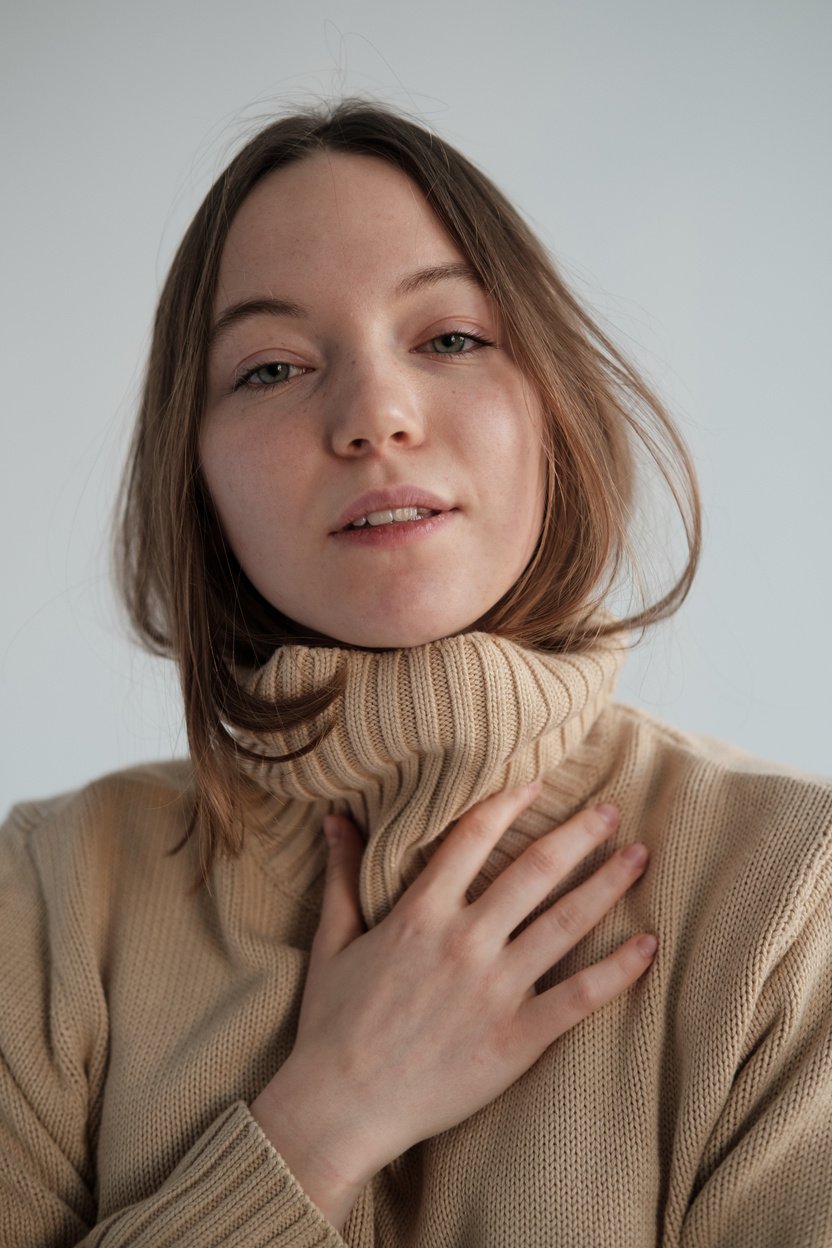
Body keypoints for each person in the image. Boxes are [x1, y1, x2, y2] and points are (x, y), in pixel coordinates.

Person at [1, 99, 830, 1248]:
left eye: (448, 339)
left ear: (553, 401)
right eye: (273, 367)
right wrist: (322, 1124)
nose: (374, 416)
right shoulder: (42, 902)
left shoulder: (791, 894)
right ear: (193, 476)